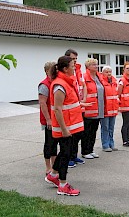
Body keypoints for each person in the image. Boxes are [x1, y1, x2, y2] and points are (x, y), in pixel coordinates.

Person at [44, 56, 83, 196]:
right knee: (66, 154)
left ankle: (53, 175)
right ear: (65, 69)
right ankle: (63, 185)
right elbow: (57, 109)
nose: (75, 68)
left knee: (65, 152)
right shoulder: (59, 85)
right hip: (65, 128)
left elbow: (68, 104)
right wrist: (65, 129)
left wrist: (80, 105)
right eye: (73, 66)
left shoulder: (66, 82)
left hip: (71, 126)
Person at [64, 49, 86, 167]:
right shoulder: (66, 70)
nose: (75, 61)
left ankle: (74, 155)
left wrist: (84, 98)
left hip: (79, 105)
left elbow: (82, 85)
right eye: (73, 59)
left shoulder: (78, 69)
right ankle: (68, 158)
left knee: (78, 133)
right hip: (70, 107)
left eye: (76, 59)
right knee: (70, 134)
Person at [81, 58, 105, 159]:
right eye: (94, 65)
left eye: (96, 64)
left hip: (98, 108)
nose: (96, 66)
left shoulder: (98, 76)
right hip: (89, 109)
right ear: (88, 67)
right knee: (87, 132)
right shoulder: (84, 77)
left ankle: (91, 149)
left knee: (94, 131)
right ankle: (85, 151)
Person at [38, 61, 58, 175]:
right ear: (46, 71)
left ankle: (54, 166)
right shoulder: (44, 85)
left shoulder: (55, 83)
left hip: (56, 118)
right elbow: (43, 103)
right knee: (49, 143)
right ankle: (48, 167)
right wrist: (48, 120)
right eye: (53, 69)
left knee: (54, 143)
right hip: (49, 120)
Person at [100, 66, 119, 152]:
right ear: (103, 73)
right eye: (107, 72)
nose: (109, 73)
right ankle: (105, 144)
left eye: (110, 72)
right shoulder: (101, 82)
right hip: (105, 109)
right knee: (105, 128)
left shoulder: (114, 82)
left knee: (111, 128)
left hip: (113, 109)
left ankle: (111, 143)